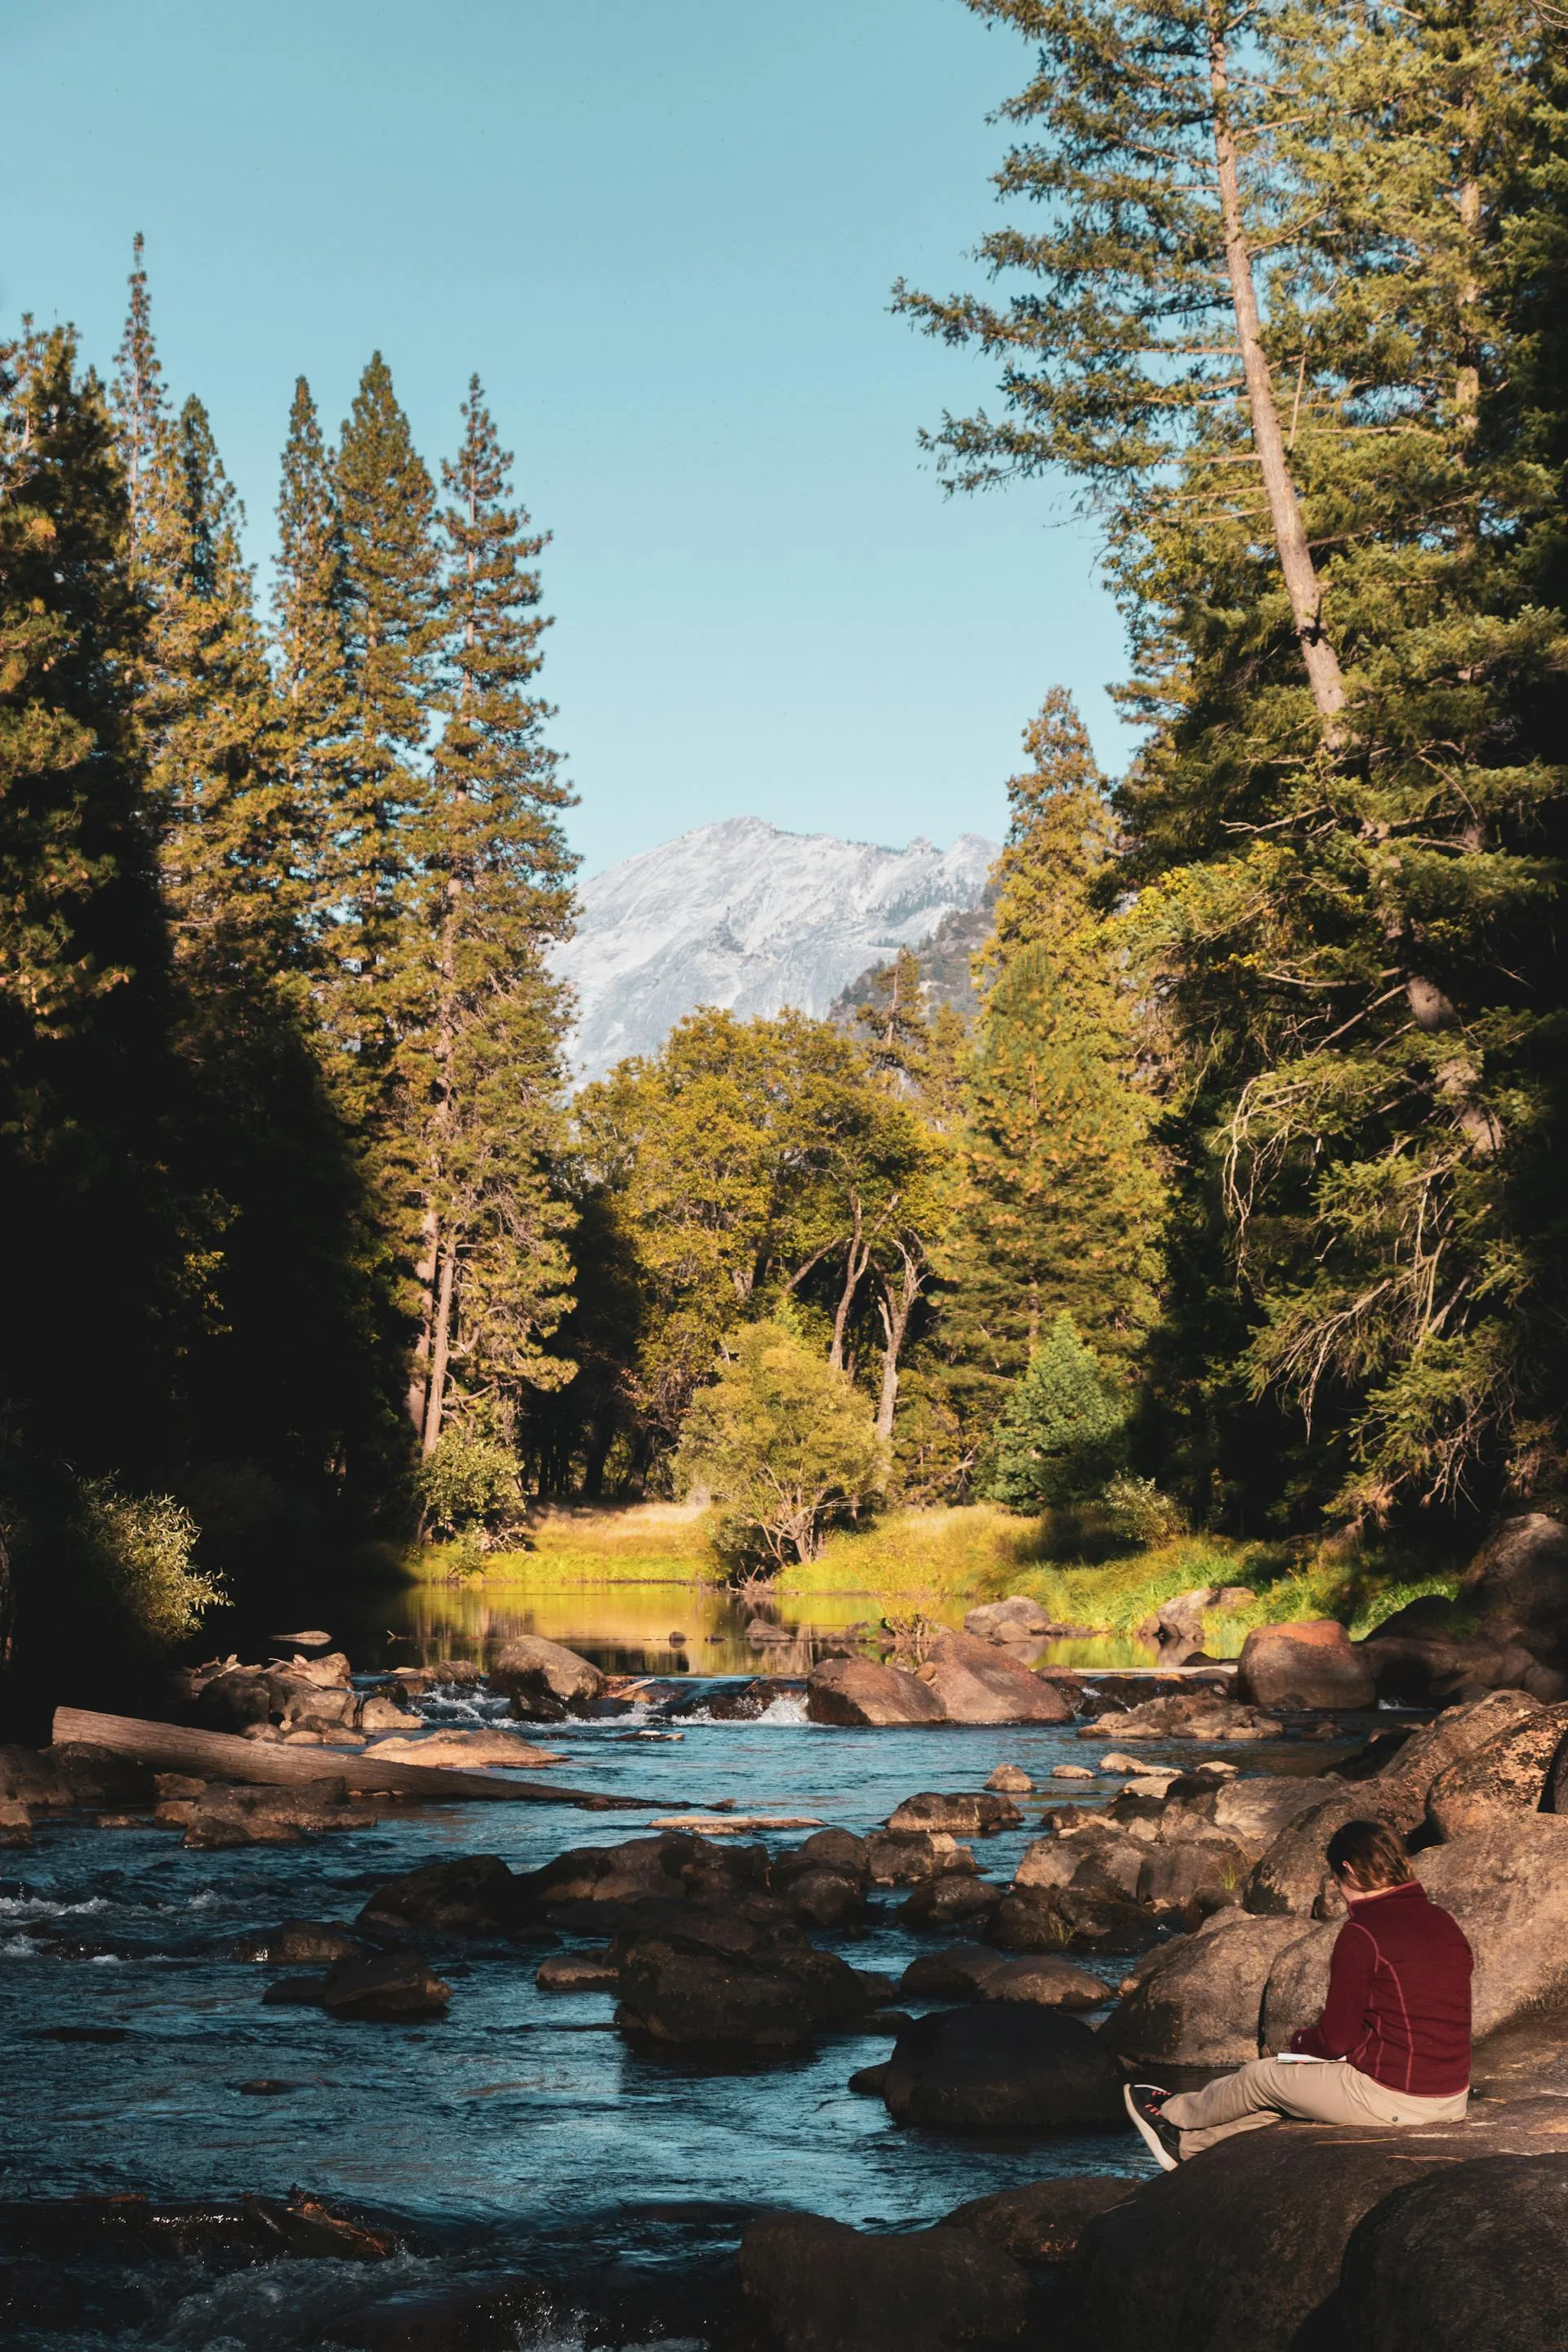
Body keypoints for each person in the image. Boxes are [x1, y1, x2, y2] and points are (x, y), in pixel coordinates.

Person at [1124, 1816, 1473, 2168]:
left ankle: (1172, 2111)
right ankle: (1186, 2146)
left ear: (1349, 1870)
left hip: (1396, 2097)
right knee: (1288, 2095)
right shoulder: (1441, 1920)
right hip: (1449, 2097)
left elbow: (1336, 2040)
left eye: (1335, 1877)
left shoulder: (1364, 1932)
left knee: (1261, 2077)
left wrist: (1301, 2043)